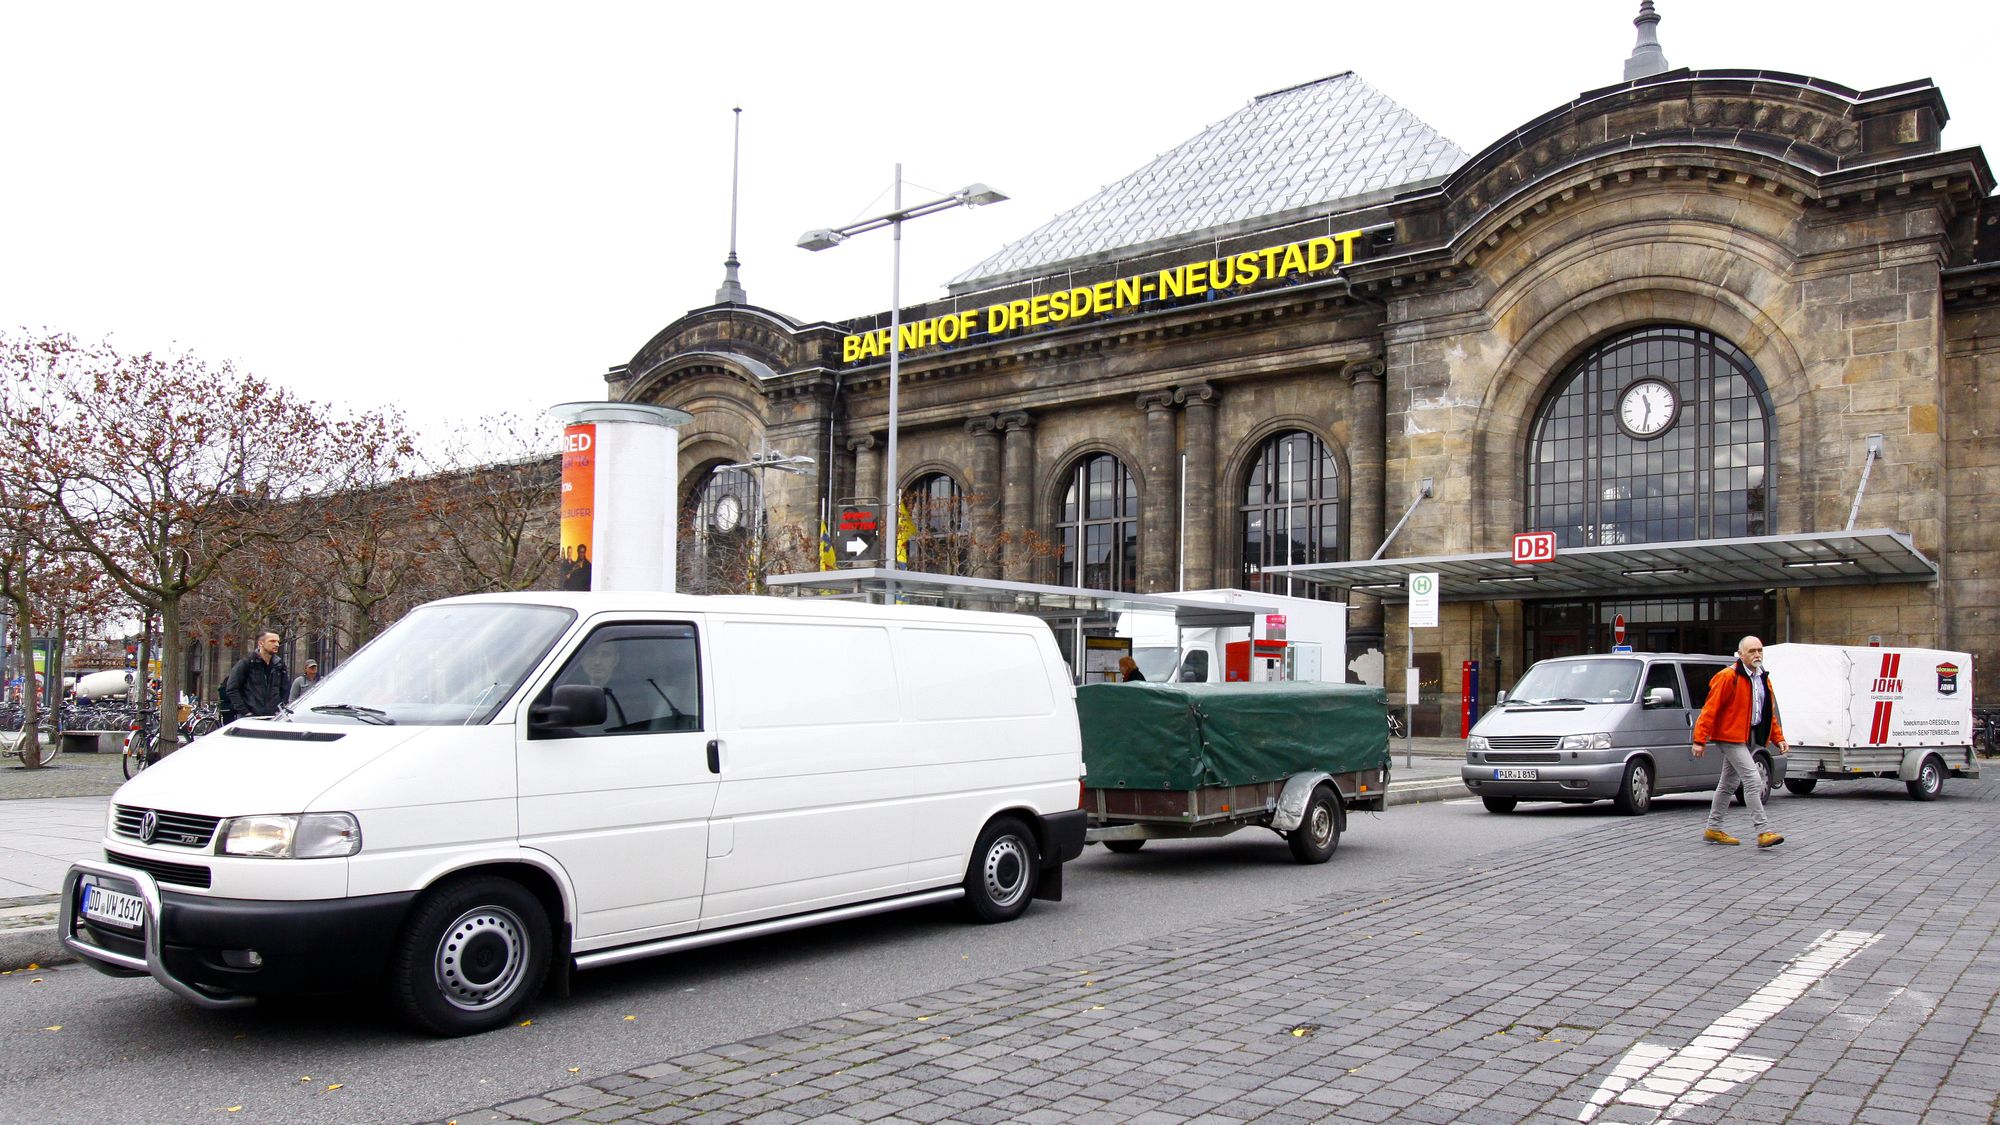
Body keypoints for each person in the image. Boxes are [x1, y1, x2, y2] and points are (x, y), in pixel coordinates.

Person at [1692, 635, 1786, 848]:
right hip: (1729, 737)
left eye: (1760, 650)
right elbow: (1710, 709)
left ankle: (1713, 829)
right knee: (1753, 780)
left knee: (1728, 783)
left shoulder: (1763, 678)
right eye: (1752, 651)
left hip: (1746, 737)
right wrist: (1699, 739)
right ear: (1740, 654)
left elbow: (1767, 712)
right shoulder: (1728, 676)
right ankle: (1763, 832)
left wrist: (1778, 738)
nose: (1757, 655)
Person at [221, 631, 289, 721]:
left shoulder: (279, 665)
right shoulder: (247, 663)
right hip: (251, 718)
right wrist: (245, 712)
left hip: (274, 718)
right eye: (272, 641)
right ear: (261, 643)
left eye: (278, 642)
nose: (276, 644)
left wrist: (281, 709)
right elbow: (232, 688)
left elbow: (285, 689)